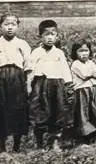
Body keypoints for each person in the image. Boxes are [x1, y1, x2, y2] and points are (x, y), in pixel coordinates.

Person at [0, 13, 31, 152]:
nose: (10, 27)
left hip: (17, 79)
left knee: (18, 110)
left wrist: (28, 84)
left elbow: (28, 66)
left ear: (17, 26)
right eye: (6, 24)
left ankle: (17, 145)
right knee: (1, 110)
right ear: (1, 26)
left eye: (13, 24)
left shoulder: (22, 44)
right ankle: (2, 147)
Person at [27, 19, 72, 149]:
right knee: (40, 112)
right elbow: (31, 69)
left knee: (57, 111)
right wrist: (29, 85)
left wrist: (68, 85)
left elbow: (64, 69)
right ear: (40, 36)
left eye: (53, 34)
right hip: (41, 85)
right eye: (47, 34)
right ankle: (39, 144)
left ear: (57, 36)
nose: (50, 37)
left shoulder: (59, 53)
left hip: (57, 85)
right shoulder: (36, 52)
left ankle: (55, 142)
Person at [69, 42, 96, 141]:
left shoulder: (91, 62)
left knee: (95, 109)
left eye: (86, 50)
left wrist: (93, 74)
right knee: (83, 111)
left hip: (93, 89)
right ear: (75, 53)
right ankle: (86, 134)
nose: (84, 54)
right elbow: (84, 75)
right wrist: (92, 74)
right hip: (82, 90)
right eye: (81, 51)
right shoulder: (75, 64)